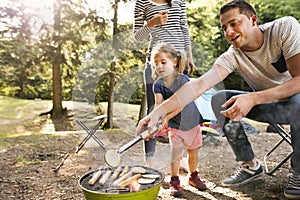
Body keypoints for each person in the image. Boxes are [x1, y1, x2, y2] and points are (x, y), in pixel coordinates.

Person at [136, 0, 300, 199]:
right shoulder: (233, 55)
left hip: (295, 103)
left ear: (253, 19)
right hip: (270, 106)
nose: (229, 32)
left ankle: (298, 173)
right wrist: (157, 113)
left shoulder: (284, 28)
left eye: (234, 23)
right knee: (220, 98)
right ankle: (250, 164)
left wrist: (253, 98)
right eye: (224, 27)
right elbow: (197, 85)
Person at [133, 0, 195, 168]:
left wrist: (189, 56)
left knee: (181, 110)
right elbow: (137, 36)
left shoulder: (178, 1)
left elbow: (184, 27)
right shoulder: (142, 3)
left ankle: (179, 162)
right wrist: (152, 23)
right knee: (153, 111)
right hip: (156, 65)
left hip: (179, 63)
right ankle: (150, 165)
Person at [150, 42, 206, 196]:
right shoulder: (158, 85)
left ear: (174, 62)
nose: (159, 66)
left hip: (192, 122)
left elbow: (182, 103)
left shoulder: (183, 80)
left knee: (193, 152)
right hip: (175, 126)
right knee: (176, 154)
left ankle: (193, 176)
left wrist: (166, 116)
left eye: (163, 62)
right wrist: (156, 120)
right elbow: (158, 105)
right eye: (156, 64)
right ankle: (175, 180)